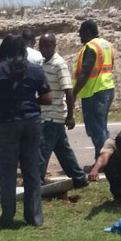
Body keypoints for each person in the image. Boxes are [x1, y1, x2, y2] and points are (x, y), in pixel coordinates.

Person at [0, 34, 52, 228]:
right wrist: (31, 102)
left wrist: (6, 101)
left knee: (7, 172)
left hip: (7, 122)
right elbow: (48, 98)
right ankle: (34, 217)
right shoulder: (35, 70)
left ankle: (7, 217)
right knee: (31, 170)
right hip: (32, 122)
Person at [37, 33, 89, 188]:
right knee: (63, 152)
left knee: (42, 151)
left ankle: (37, 182)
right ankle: (79, 179)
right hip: (46, 114)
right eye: (41, 45)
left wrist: (70, 116)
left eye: (47, 45)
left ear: (54, 46)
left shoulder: (59, 64)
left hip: (53, 115)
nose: (44, 49)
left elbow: (69, 91)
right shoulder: (42, 63)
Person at [72, 20, 115, 160]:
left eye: (81, 33)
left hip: (95, 92)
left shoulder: (91, 47)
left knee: (97, 129)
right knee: (101, 127)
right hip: (107, 88)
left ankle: (103, 161)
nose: (80, 36)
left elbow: (85, 72)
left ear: (89, 32)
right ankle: (107, 158)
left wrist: (74, 92)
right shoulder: (107, 45)